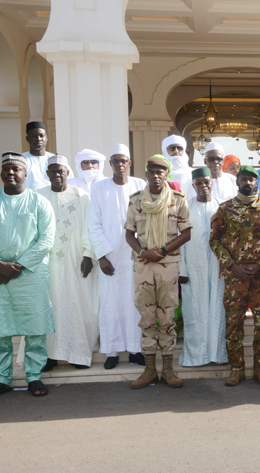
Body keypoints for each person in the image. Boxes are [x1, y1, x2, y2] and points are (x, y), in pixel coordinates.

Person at [0, 152, 55, 399]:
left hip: (30, 275)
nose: (11, 173)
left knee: (35, 328)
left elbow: (46, 239)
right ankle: (1, 379)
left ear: (25, 174)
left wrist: (16, 266)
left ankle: (34, 376)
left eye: (16, 169)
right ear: (1, 174)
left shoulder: (39, 203)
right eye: (6, 169)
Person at [210, 165, 260, 386]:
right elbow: (214, 241)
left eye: (252, 180)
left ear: (256, 183)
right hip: (235, 277)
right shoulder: (224, 210)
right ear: (237, 182)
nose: (248, 183)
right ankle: (237, 369)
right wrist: (232, 265)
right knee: (234, 325)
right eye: (244, 179)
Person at [125, 157, 192, 389]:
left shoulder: (177, 200)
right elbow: (129, 235)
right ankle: (150, 370)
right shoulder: (135, 201)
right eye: (152, 171)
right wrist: (144, 253)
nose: (156, 175)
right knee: (146, 317)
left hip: (168, 264)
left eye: (160, 171)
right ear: (146, 173)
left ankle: (169, 370)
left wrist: (162, 251)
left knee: (167, 317)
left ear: (167, 174)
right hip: (144, 265)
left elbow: (186, 233)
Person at [87, 144, 146, 369]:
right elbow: (93, 224)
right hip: (110, 256)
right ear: (110, 164)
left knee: (134, 302)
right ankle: (111, 352)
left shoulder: (140, 185)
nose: (120, 165)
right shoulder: (99, 187)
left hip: (135, 254)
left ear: (130, 163)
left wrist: (143, 250)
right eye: (115, 161)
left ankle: (134, 349)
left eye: (124, 161)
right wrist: (101, 256)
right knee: (110, 303)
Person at [39, 156, 99, 371]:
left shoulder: (81, 195)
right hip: (47, 263)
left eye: (61, 170)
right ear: (47, 173)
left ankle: (77, 353)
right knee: (50, 306)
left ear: (67, 172)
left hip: (75, 261)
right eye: (52, 170)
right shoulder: (39, 196)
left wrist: (87, 255)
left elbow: (89, 226)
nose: (57, 174)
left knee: (76, 304)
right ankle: (49, 355)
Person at [179, 168, 228, 367]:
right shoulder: (186, 209)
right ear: (193, 186)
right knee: (195, 311)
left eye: (206, 182)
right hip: (193, 269)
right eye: (198, 183)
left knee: (217, 310)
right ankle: (195, 356)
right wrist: (181, 270)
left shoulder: (222, 208)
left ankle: (217, 354)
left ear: (212, 183)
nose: (203, 186)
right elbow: (179, 241)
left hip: (218, 269)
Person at [21, 121, 63, 190]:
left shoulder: (56, 159)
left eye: (41, 136)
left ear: (46, 138)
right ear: (27, 139)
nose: (38, 139)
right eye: (34, 136)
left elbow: (69, 181)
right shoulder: (21, 160)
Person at [162, 135, 195, 200]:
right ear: (166, 151)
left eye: (179, 148)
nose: (176, 151)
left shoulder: (192, 173)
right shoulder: (158, 174)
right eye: (172, 148)